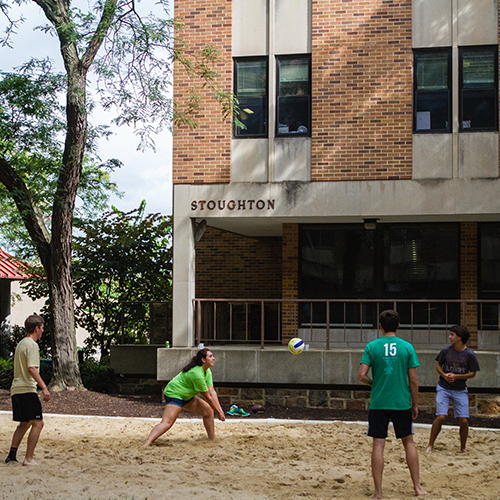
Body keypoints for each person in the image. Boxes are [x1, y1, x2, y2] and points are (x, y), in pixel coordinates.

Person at [358, 310, 427, 499]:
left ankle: (378, 492)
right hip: (401, 401)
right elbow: (413, 380)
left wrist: (375, 384)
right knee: (409, 443)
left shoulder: (372, 346)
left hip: (379, 402)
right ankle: (417, 487)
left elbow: (361, 376)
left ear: (380, 326)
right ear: (398, 325)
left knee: (378, 445)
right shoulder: (407, 347)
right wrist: (415, 404)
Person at [144, 348, 225, 446]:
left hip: (186, 396)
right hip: (174, 394)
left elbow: (212, 391)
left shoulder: (207, 371)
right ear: (203, 360)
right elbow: (208, 397)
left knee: (208, 411)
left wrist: (220, 410)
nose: (214, 358)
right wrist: (218, 413)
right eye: (211, 356)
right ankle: (147, 444)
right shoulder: (197, 374)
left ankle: (212, 440)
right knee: (167, 423)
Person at [426, 325, 480, 454]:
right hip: (444, 388)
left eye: (452, 335)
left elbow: (473, 373)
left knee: (464, 419)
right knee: (441, 416)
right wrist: (444, 375)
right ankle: (430, 444)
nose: (450, 337)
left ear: (459, 337)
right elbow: (438, 366)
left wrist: (457, 376)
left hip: (460, 389)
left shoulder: (469, 354)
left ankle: (463, 447)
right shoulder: (446, 351)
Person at [5, 314, 50, 466]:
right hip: (26, 389)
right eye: (42, 328)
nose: (43, 331)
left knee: (24, 423)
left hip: (16, 389)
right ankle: (29, 459)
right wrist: (44, 387)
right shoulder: (32, 345)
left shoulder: (21, 344)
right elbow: (32, 368)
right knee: (38, 423)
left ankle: (11, 455)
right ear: (37, 328)